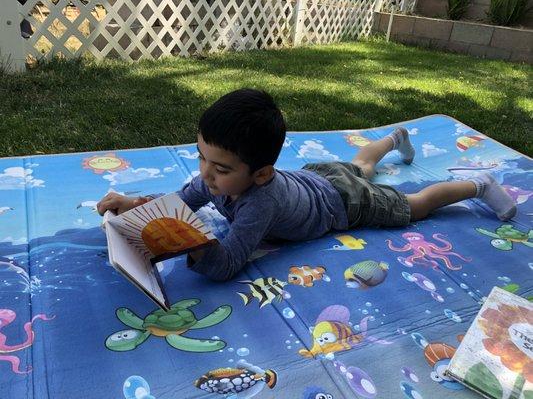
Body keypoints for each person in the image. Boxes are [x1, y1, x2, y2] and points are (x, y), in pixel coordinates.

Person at [97, 88, 516, 281]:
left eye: (220, 169)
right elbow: (180, 199)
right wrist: (135, 202)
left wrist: (193, 241)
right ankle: (395, 138)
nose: (206, 174)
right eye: (201, 156)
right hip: (316, 177)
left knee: (414, 204)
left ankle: (477, 185)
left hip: (343, 204)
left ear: (259, 174)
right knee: (359, 165)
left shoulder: (258, 203)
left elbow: (226, 264)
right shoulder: (216, 176)